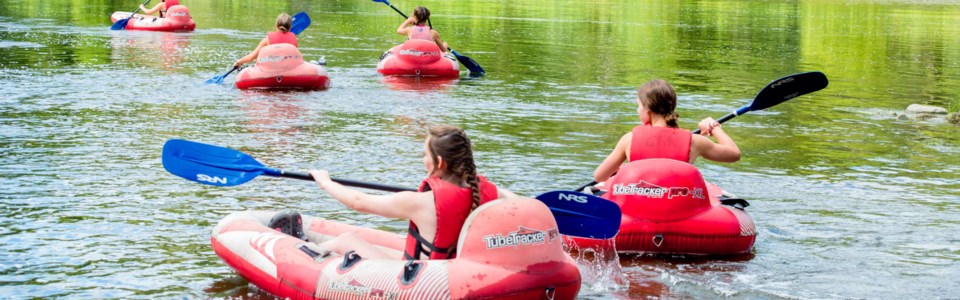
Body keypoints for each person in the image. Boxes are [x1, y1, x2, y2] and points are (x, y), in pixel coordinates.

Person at [309, 125, 518, 260]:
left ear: (439, 162)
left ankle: (300, 253)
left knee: (346, 239)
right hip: (456, 274)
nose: (422, 159)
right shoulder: (491, 193)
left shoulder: (419, 202)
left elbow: (357, 202)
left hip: (425, 280)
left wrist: (324, 181)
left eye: (424, 154)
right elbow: (525, 204)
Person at [593, 79, 741, 183]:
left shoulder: (629, 139)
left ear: (648, 109)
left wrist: (622, 171)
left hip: (639, 210)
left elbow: (600, 176)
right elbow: (734, 154)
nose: (638, 111)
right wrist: (714, 127)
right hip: (677, 211)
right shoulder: (695, 141)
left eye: (638, 106)